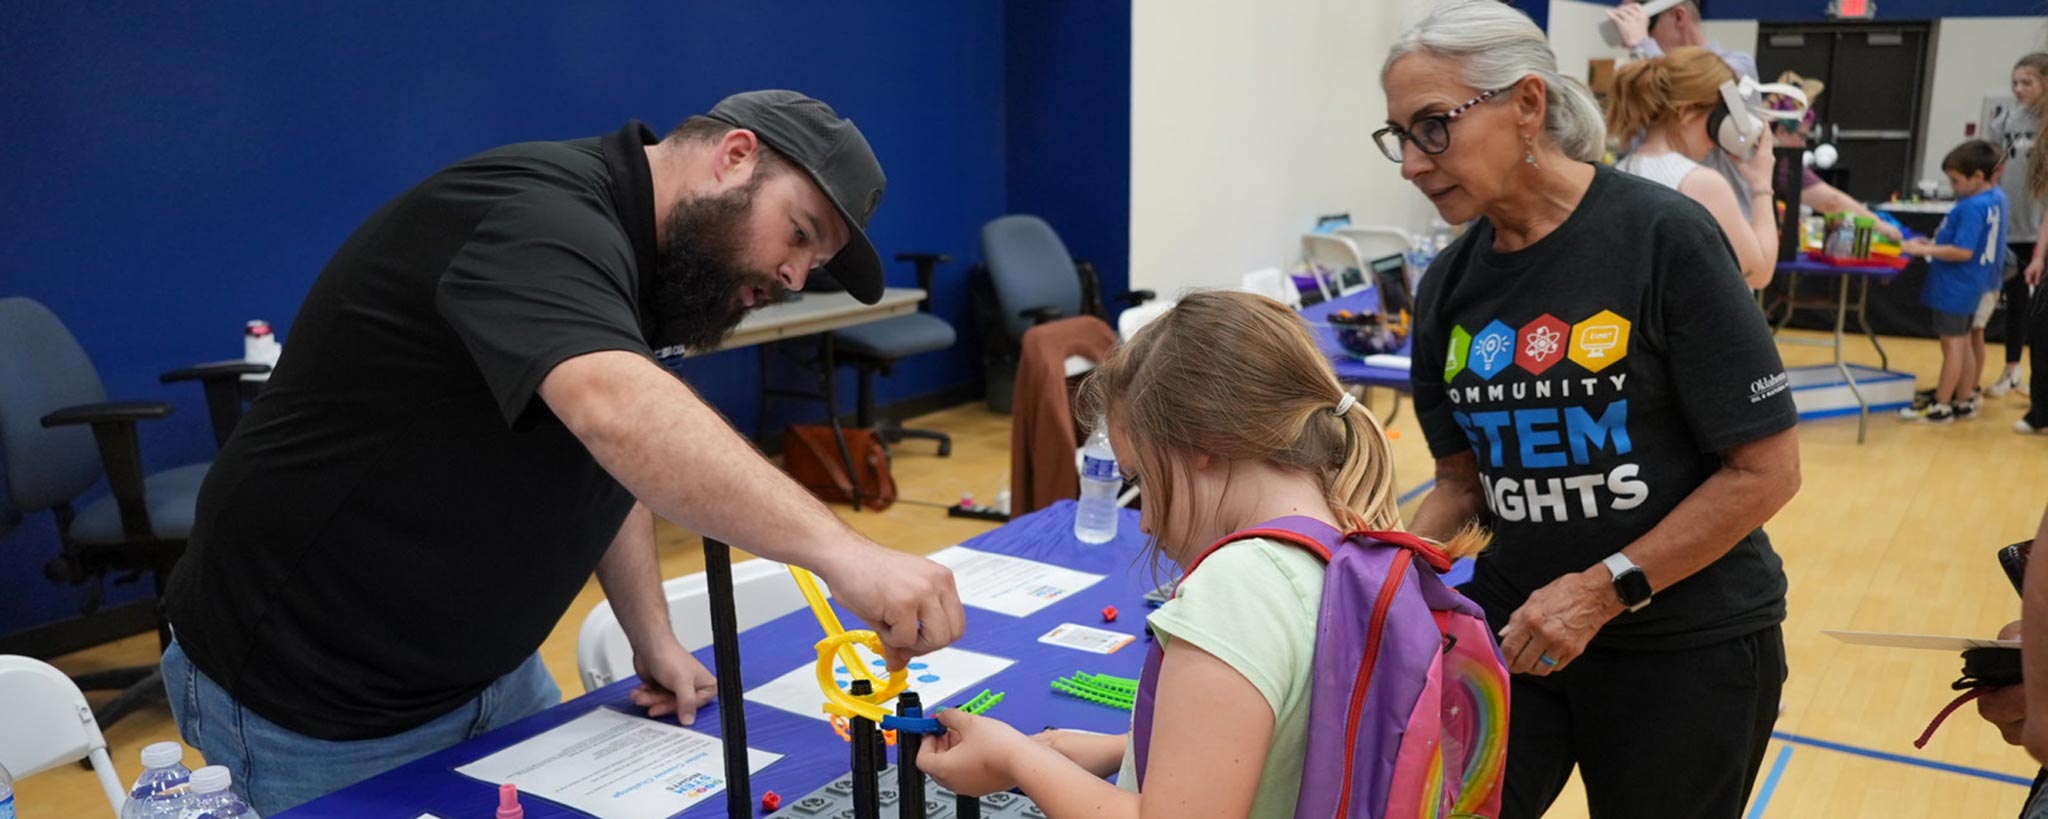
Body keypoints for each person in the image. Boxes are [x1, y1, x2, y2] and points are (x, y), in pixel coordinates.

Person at [159, 90, 968, 814]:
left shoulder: (655, 268)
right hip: (313, 699)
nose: (794, 275)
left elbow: (609, 458)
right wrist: (842, 552)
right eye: (799, 234)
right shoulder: (538, 218)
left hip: (492, 677)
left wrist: (648, 631)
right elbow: (618, 411)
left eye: (813, 263)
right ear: (735, 156)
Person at [1381, 2, 1802, 817]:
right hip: (1517, 638)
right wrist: (1366, 573)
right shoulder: (1447, 288)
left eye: (1432, 126)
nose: (1410, 161)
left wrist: (1604, 588)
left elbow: (1767, 471)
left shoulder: (1662, 239)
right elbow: (1463, 487)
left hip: (1684, 645)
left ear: (1528, 105)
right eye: (1397, 134)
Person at [911, 290, 1486, 818]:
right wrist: (1125, 749)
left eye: (1146, 482)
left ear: (1202, 446)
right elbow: (1306, 730)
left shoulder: (1235, 587)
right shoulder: (1353, 541)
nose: (1152, 522)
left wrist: (1018, 761)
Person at [1606, 47, 1780, 288]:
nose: (1718, 137)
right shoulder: (1701, 183)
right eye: (1719, 119)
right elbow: (1758, 273)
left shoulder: (1619, 171)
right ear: (1686, 112)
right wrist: (1762, 186)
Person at [1900, 140, 2009, 424]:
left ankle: (1942, 404)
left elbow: (1964, 251)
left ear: (1978, 177)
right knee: (1966, 341)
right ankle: (1963, 397)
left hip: (1958, 286)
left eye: (1956, 181)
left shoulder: (1972, 206)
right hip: (1977, 283)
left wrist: (1924, 249)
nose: (1953, 187)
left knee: (1953, 346)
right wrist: (1936, 242)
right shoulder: (1996, 198)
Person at [1761, 72, 1903, 241]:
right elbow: (1831, 201)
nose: (1804, 144)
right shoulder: (1783, 163)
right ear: (1782, 131)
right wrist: (1882, 226)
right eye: (1802, 136)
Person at [1988, 54, 2048, 397]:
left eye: (2027, 82)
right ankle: (2010, 369)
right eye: (2015, 83)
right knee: (2005, 301)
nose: (2019, 89)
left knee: (2030, 306)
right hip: (2004, 225)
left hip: (2036, 228)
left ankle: (2027, 374)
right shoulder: (2004, 120)